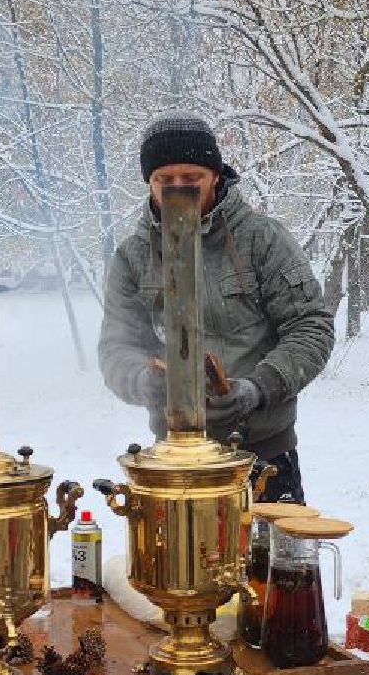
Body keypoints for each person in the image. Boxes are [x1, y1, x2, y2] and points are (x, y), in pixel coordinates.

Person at [99, 112, 335, 502]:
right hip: (173, 458)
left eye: (191, 178)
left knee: (274, 563)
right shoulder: (134, 257)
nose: (178, 188)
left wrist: (258, 388)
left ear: (215, 175)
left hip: (263, 454)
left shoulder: (262, 240)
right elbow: (116, 348)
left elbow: (311, 326)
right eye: (164, 179)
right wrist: (142, 381)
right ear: (149, 183)